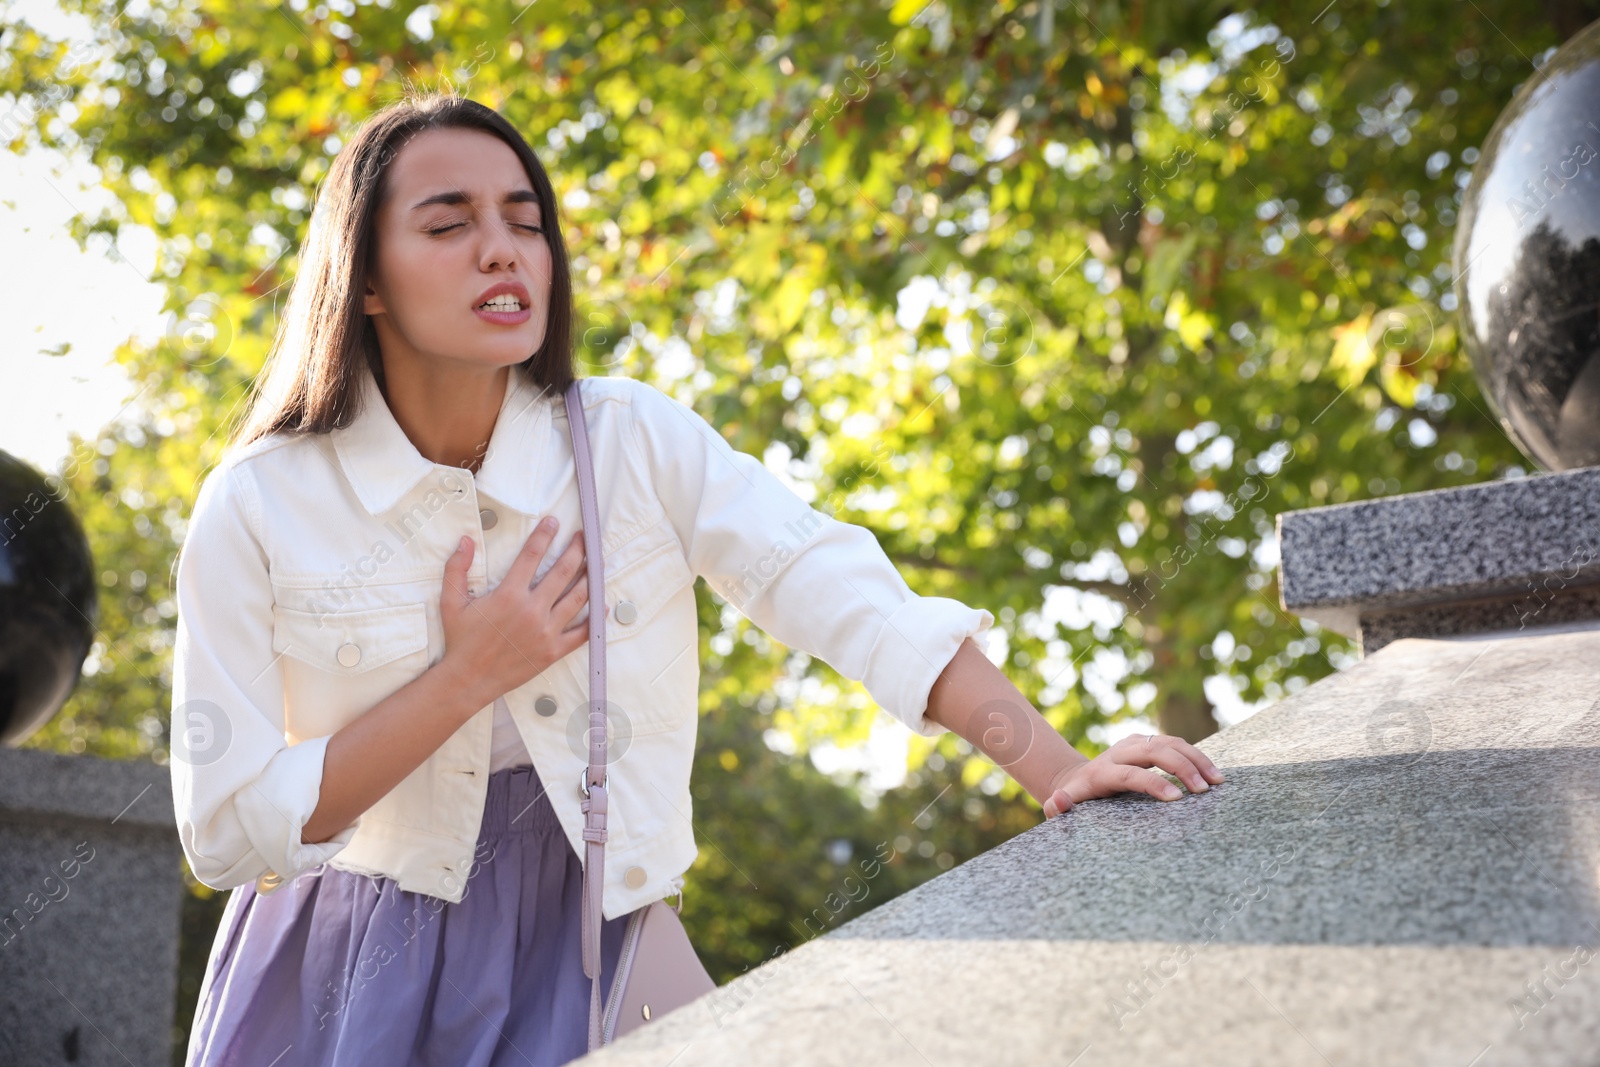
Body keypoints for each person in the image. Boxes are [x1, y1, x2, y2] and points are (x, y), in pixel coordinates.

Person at [171, 92, 1224, 1067]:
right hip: (348, 968)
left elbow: (829, 582)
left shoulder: (633, 440)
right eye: (448, 224)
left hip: (594, 941)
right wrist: (468, 674)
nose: (502, 249)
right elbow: (223, 831)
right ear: (362, 280)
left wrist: (1055, 766)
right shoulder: (258, 502)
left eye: (525, 219)